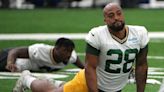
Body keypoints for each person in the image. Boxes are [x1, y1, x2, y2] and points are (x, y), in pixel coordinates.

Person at [12, 3, 149, 92]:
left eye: (119, 13)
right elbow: (89, 68)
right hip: (88, 84)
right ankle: (27, 79)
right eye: (111, 16)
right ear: (105, 20)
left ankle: (60, 84)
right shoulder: (97, 35)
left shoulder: (140, 33)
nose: (116, 18)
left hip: (113, 87)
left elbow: (142, 65)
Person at [0, 37, 84, 72]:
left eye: (70, 51)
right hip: (7, 58)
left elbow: (85, 68)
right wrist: (10, 63)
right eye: (65, 50)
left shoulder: (72, 56)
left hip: (21, 68)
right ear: (56, 48)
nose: (68, 54)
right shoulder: (40, 50)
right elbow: (15, 51)